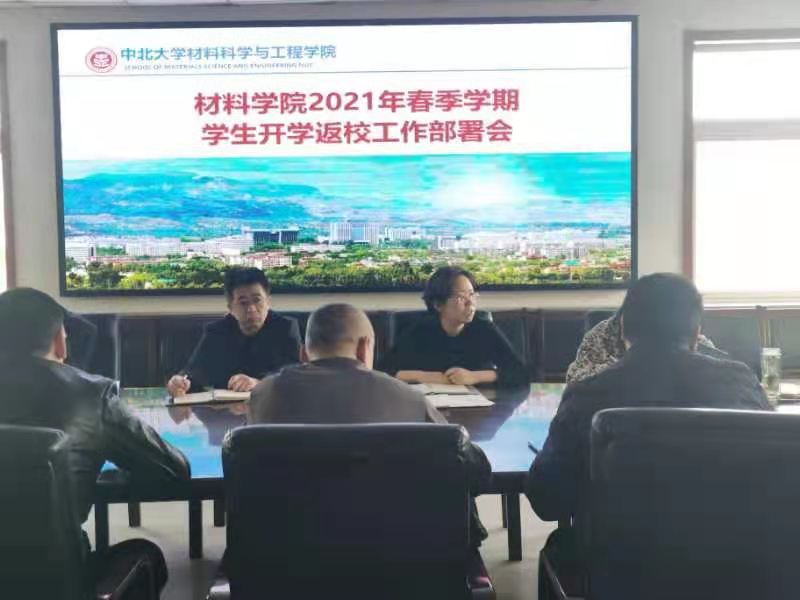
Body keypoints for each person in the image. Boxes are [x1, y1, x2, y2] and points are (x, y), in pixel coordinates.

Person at [525, 274, 771, 585]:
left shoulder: (588, 393)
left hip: (619, 568)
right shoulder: (740, 382)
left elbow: (547, 501)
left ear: (623, 329)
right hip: (736, 564)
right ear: (696, 332)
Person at [249, 303, 491, 547]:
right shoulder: (407, 398)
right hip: (396, 550)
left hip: (286, 548)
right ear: (365, 348)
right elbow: (474, 470)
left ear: (303, 353)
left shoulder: (264, 394)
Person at [0, 287, 191, 592]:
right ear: (60, 342)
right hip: (54, 583)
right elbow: (174, 470)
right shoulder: (90, 394)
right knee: (147, 555)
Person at [379, 266, 528, 387]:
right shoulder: (420, 331)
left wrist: (474, 377)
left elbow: (520, 373)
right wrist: (426, 376)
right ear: (438, 304)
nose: (470, 303)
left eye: (472, 295)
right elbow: (383, 371)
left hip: (475, 406)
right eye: (461, 297)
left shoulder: (484, 329)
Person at [166, 268, 301, 397]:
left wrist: (258, 383)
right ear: (231, 308)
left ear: (268, 302)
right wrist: (181, 382)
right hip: (225, 410)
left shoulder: (286, 328)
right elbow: (195, 372)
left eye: (257, 300)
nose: (251, 309)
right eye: (243, 303)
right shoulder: (216, 332)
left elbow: (294, 375)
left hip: (272, 407)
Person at [566, 307, 725, 384]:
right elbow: (575, 379)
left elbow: (716, 370)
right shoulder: (604, 333)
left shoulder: (686, 332)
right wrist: (629, 368)